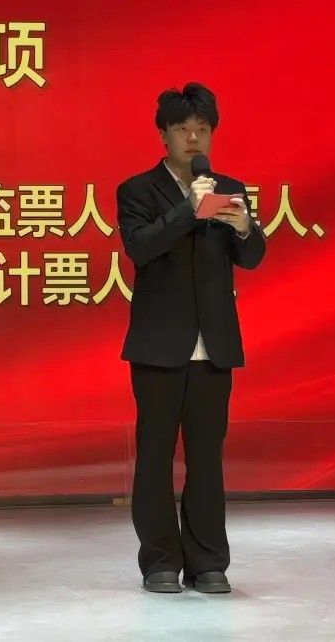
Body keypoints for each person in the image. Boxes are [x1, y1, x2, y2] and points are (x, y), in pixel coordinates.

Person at [116, 83, 266, 595]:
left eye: (203, 129)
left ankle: (208, 562)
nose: (194, 138)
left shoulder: (230, 188)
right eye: (183, 129)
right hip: (159, 346)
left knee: (206, 460)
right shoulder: (137, 190)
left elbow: (251, 258)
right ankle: (160, 560)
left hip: (214, 346)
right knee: (155, 456)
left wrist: (244, 226)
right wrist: (188, 208)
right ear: (164, 135)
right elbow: (141, 247)